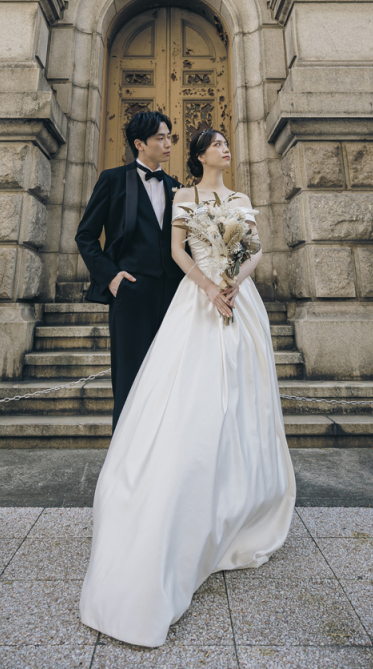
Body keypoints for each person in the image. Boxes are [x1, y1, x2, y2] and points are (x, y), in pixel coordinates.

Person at [80, 128, 295, 648]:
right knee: (183, 400)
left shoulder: (240, 198)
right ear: (203, 155)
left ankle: (243, 499)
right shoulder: (180, 194)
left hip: (239, 301)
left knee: (245, 399)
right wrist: (207, 286)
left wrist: (234, 284)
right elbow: (175, 251)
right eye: (217, 143)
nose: (226, 149)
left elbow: (256, 250)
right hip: (194, 300)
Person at [75, 110, 182, 428]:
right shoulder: (113, 179)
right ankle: (126, 463)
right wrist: (111, 278)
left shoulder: (177, 187)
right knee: (131, 377)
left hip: (174, 296)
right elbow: (86, 235)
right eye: (160, 138)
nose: (167, 144)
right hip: (131, 292)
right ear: (139, 143)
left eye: (169, 137)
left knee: (169, 377)